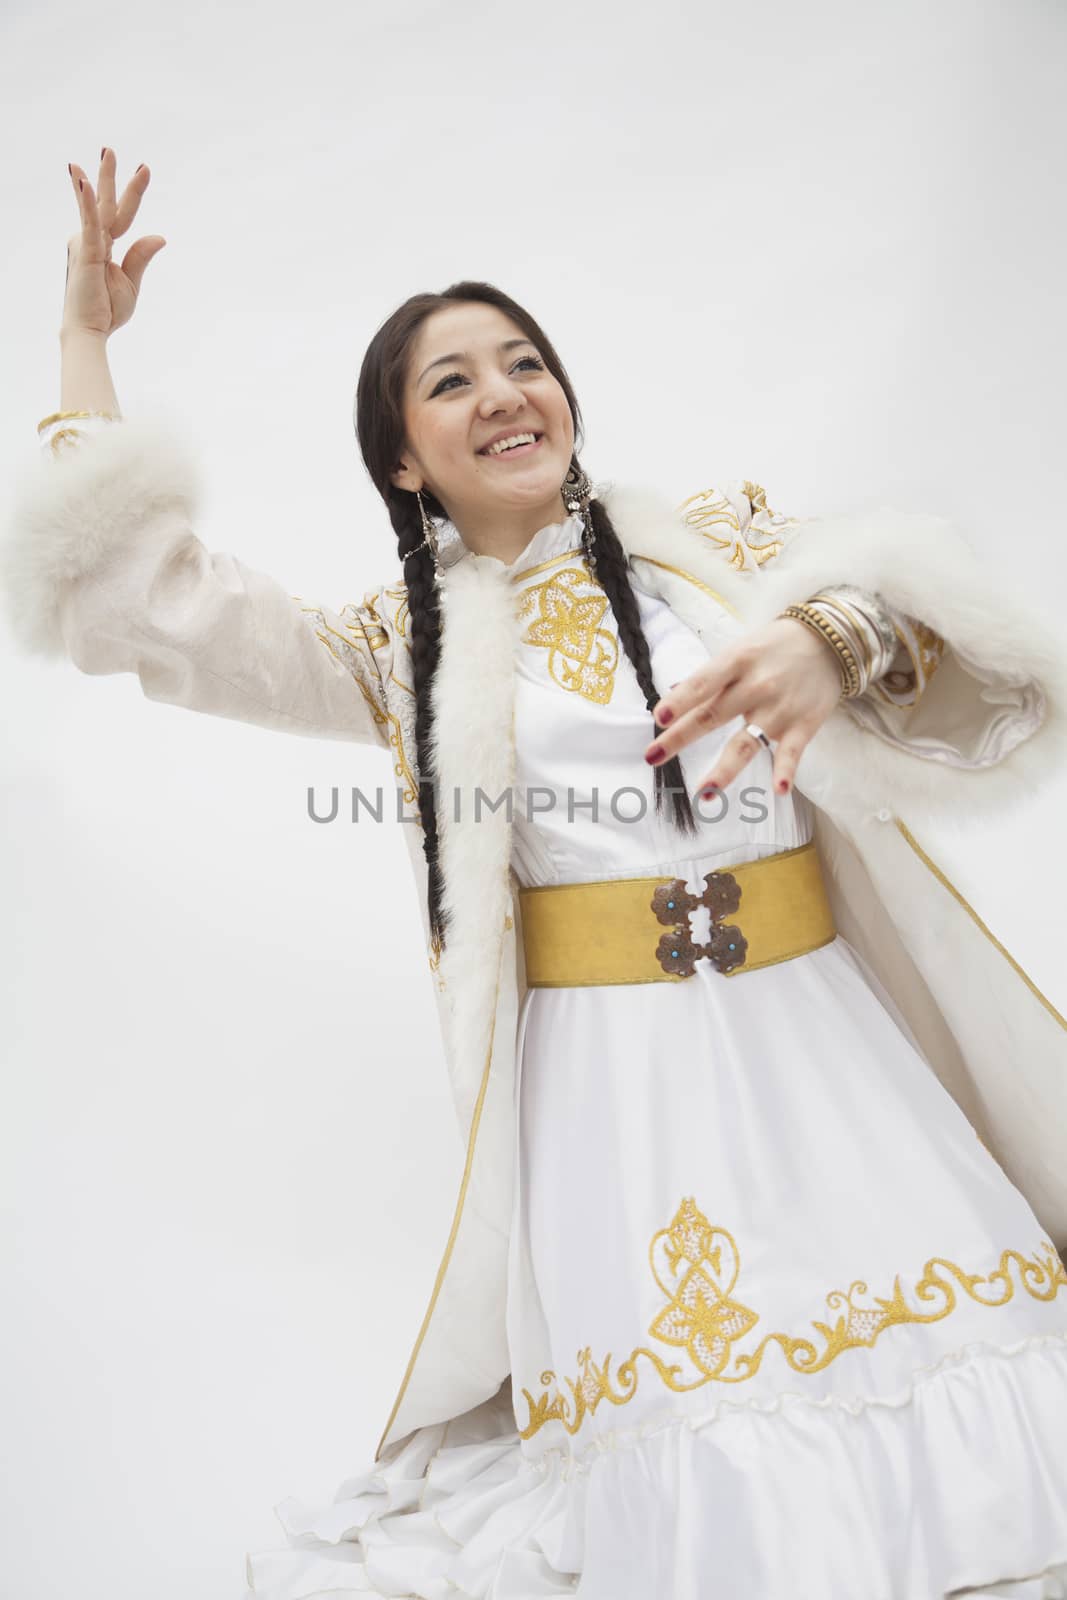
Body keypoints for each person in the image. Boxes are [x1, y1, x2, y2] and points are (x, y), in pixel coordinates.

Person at [5, 149, 1067, 1599]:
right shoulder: (404, 648)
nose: (503, 392)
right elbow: (152, 609)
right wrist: (86, 341)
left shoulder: (714, 546)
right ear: (400, 455)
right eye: (450, 383)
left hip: (818, 1031)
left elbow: (961, 628)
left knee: (950, 1334)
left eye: (523, 362)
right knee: (688, 1405)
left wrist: (829, 638)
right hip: (611, 1079)